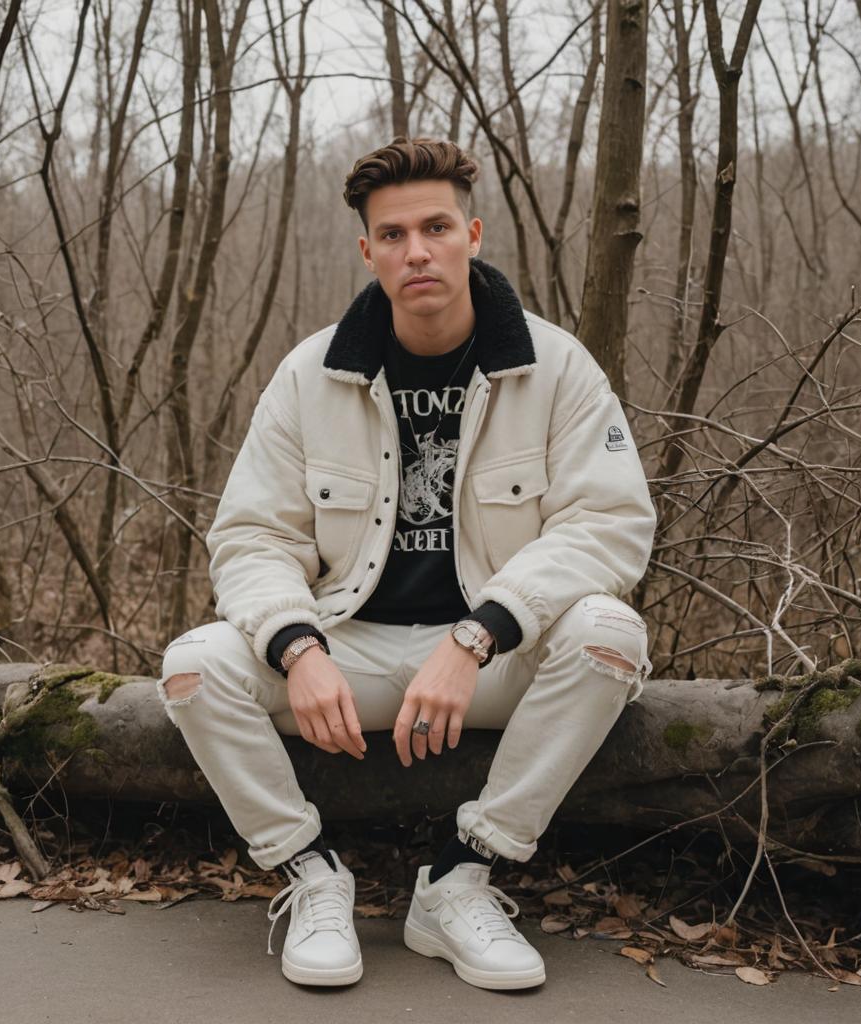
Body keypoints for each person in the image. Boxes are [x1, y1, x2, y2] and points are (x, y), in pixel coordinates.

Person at [156, 137, 656, 991]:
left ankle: (462, 877)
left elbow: (609, 525)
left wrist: (476, 639)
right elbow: (251, 539)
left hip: (490, 659)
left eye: (435, 227)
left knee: (611, 635)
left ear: (473, 233)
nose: (415, 251)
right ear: (368, 250)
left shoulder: (556, 365)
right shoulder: (311, 374)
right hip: (349, 650)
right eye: (393, 235)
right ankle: (312, 875)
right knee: (195, 667)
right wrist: (298, 648)